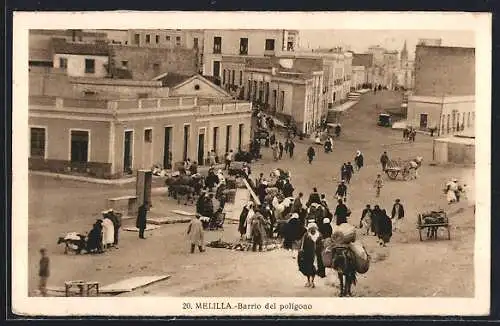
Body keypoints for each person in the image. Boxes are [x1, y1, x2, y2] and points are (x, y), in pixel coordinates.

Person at [298, 223, 325, 288]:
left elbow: (322, 245)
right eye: (311, 229)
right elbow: (302, 245)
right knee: (308, 268)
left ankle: (312, 281)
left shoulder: (319, 236)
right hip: (308, 255)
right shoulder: (306, 235)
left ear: (315, 228)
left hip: (317, 255)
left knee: (315, 268)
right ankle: (308, 281)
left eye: (313, 228)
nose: (312, 230)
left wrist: (320, 250)